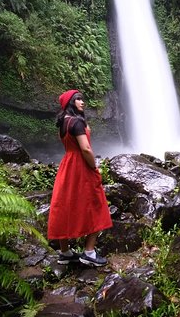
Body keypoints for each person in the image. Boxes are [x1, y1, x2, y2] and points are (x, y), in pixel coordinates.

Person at [47, 89, 113, 267]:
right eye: (78, 100)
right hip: (81, 166)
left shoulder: (63, 123)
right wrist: (94, 166)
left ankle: (65, 252)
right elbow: (85, 149)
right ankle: (89, 252)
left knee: (64, 204)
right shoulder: (76, 122)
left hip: (67, 165)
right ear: (70, 103)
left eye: (82, 99)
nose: (82, 102)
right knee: (96, 203)